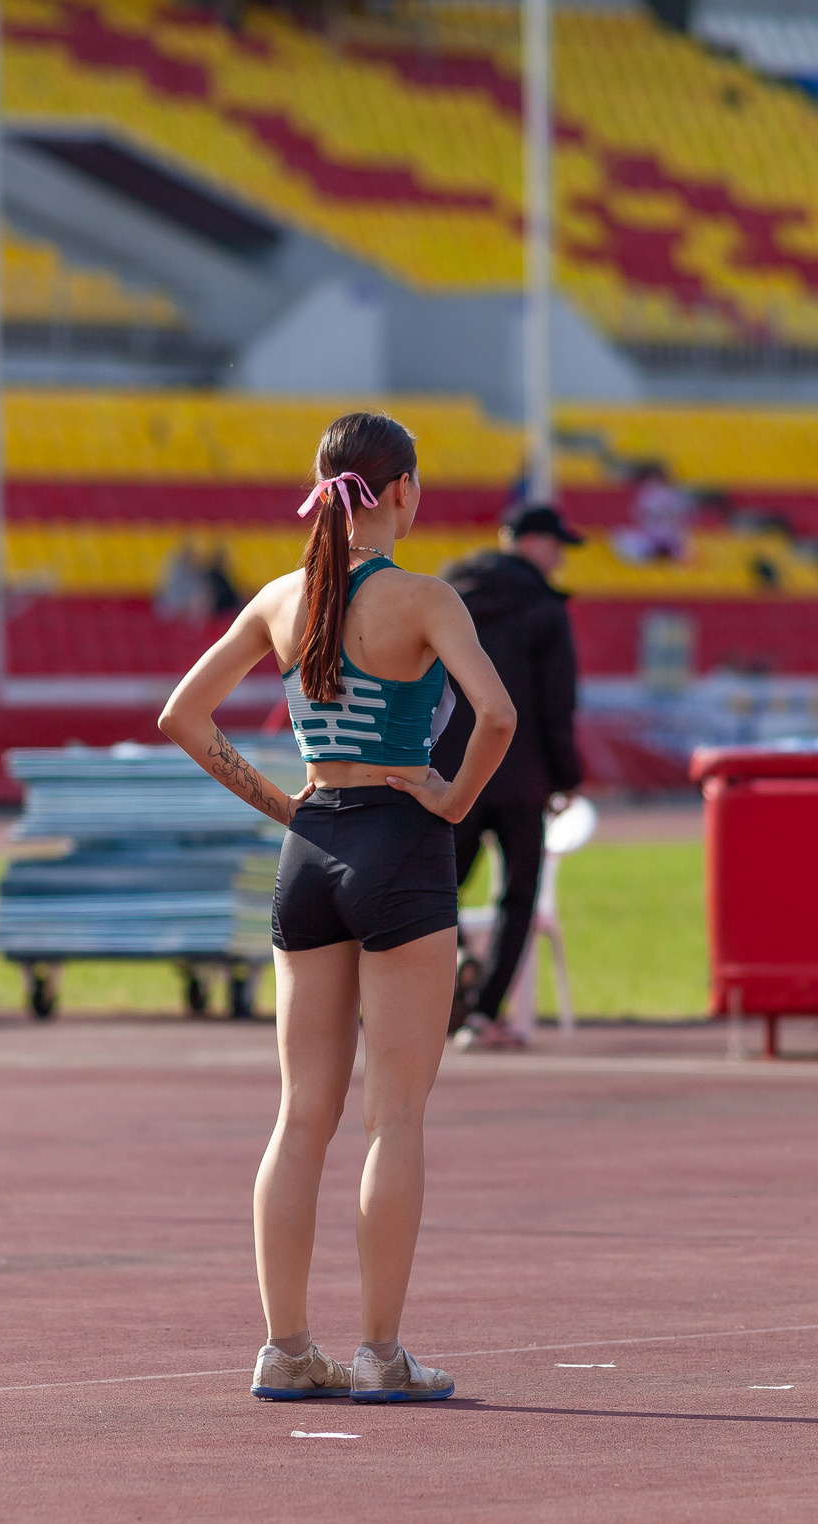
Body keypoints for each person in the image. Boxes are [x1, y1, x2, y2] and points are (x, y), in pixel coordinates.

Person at [157, 410, 514, 1406]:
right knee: (392, 1115)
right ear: (402, 490)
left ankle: (284, 1348)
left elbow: (182, 715)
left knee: (298, 1116)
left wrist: (284, 805)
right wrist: (448, 795)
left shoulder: (282, 598)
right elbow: (496, 715)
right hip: (400, 846)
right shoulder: (421, 598)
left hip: (310, 851)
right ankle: (380, 1355)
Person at [432, 503, 586, 1049]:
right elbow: (556, 703)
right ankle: (483, 1017)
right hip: (522, 776)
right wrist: (567, 775)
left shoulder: (447, 596)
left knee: (435, 888)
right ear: (533, 543)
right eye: (556, 544)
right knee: (518, 898)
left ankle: (442, 974)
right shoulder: (544, 608)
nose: (561, 556)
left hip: (451, 771)